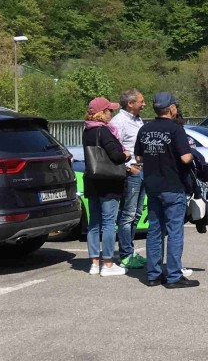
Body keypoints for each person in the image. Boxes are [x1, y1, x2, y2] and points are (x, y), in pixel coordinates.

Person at [135, 91, 197, 288]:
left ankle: (153, 274)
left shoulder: (144, 129)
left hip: (152, 185)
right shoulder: (175, 129)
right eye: (175, 106)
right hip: (172, 185)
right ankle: (173, 276)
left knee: (155, 230)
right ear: (171, 108)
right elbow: (185, 158)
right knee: (174, 231)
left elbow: (138, 158)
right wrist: (193, 155)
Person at [82, 97, 129, 276]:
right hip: (108, 181)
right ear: (102, 113)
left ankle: (94, 263)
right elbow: (116, 156)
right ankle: (108, 263)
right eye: (109, 110)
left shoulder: (87, 130)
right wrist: (126, 154)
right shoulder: (104, 131)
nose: (111, 113)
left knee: (94, 223)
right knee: (109, 222)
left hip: (92, 180)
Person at [109, 88, 146, 269]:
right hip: (131, 174)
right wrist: (128, 168)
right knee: (127, 214)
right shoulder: (118, 122)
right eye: (141, 101)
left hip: (142, 170)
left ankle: (130, 251)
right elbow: (114, 151)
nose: (144, 104)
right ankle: (125, 254)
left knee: (137, 213)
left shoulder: (138, 119)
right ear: (130, 103)